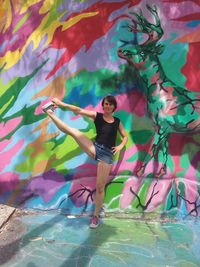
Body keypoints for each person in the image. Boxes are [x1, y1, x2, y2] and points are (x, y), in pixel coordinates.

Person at [42, 95, 128, 228]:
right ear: (103, 105)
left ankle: (95, 216)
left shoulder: (117, 121)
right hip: (95, 147)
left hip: (106, 155)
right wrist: (61, 103)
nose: (108, 106)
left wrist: (121, 146)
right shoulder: (97, 116)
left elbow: (125, 136)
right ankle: (49, 112)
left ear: (114, 107)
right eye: (106, 104)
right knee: (74, 132)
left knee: (100, 188)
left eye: (110, 104)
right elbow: (78, 110)